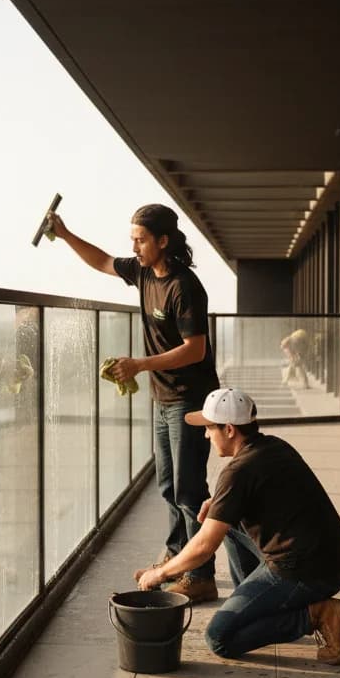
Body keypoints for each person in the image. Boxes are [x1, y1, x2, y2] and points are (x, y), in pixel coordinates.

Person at [48, 203, 221, 603]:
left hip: (189, 400)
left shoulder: (184, 286)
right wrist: (66, 232)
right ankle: (177, 560)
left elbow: (195, 350)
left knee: (189, 489)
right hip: (164, 399)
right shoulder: (143, 271)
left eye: (141, 240)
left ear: (163, 240)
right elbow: (103, 261)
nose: (135, 247)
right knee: (167, 487)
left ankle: (201, 575)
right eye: (133, 240)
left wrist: (139, 364)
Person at [135, 388, 340, 664]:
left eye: (209, 428)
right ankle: (263, 605)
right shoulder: (273, 446)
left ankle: (316, 614)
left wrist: (159, 574)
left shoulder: (238, 471)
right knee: (221, 521)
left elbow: (204, 547)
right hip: (331, 560)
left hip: (308, 572)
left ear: (229, 430)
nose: (205, 435)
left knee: (220, 638)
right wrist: (218, 502)